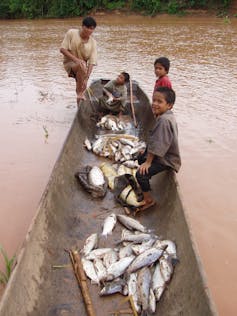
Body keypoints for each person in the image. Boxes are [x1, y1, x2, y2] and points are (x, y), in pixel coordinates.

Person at [136, 86, 181, 211]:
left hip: (167, 159)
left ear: (169, 105)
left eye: (159, 102)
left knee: (140, 174)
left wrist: (148, 162)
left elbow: (158, 145)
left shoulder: (164, 121)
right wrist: (144, 155)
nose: (155, 104)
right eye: (154, 100)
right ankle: (146, 185)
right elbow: (156, 140)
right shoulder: (166, 116)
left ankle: (148, 200)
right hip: (164, 153)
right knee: (140, 157)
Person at [60, 16, 97, 104]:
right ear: (82, 26)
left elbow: (92, 62)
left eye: (92, 29)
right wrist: (76, 60)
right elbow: (62, 49)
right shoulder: (72, 33)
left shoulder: (93, 43)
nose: (89, 31)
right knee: (82, 65)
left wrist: (87, 78)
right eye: (87, 28)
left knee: (83, 87)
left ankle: (79, 101)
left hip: (82, 68)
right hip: (69, 63)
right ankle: (79, 93)